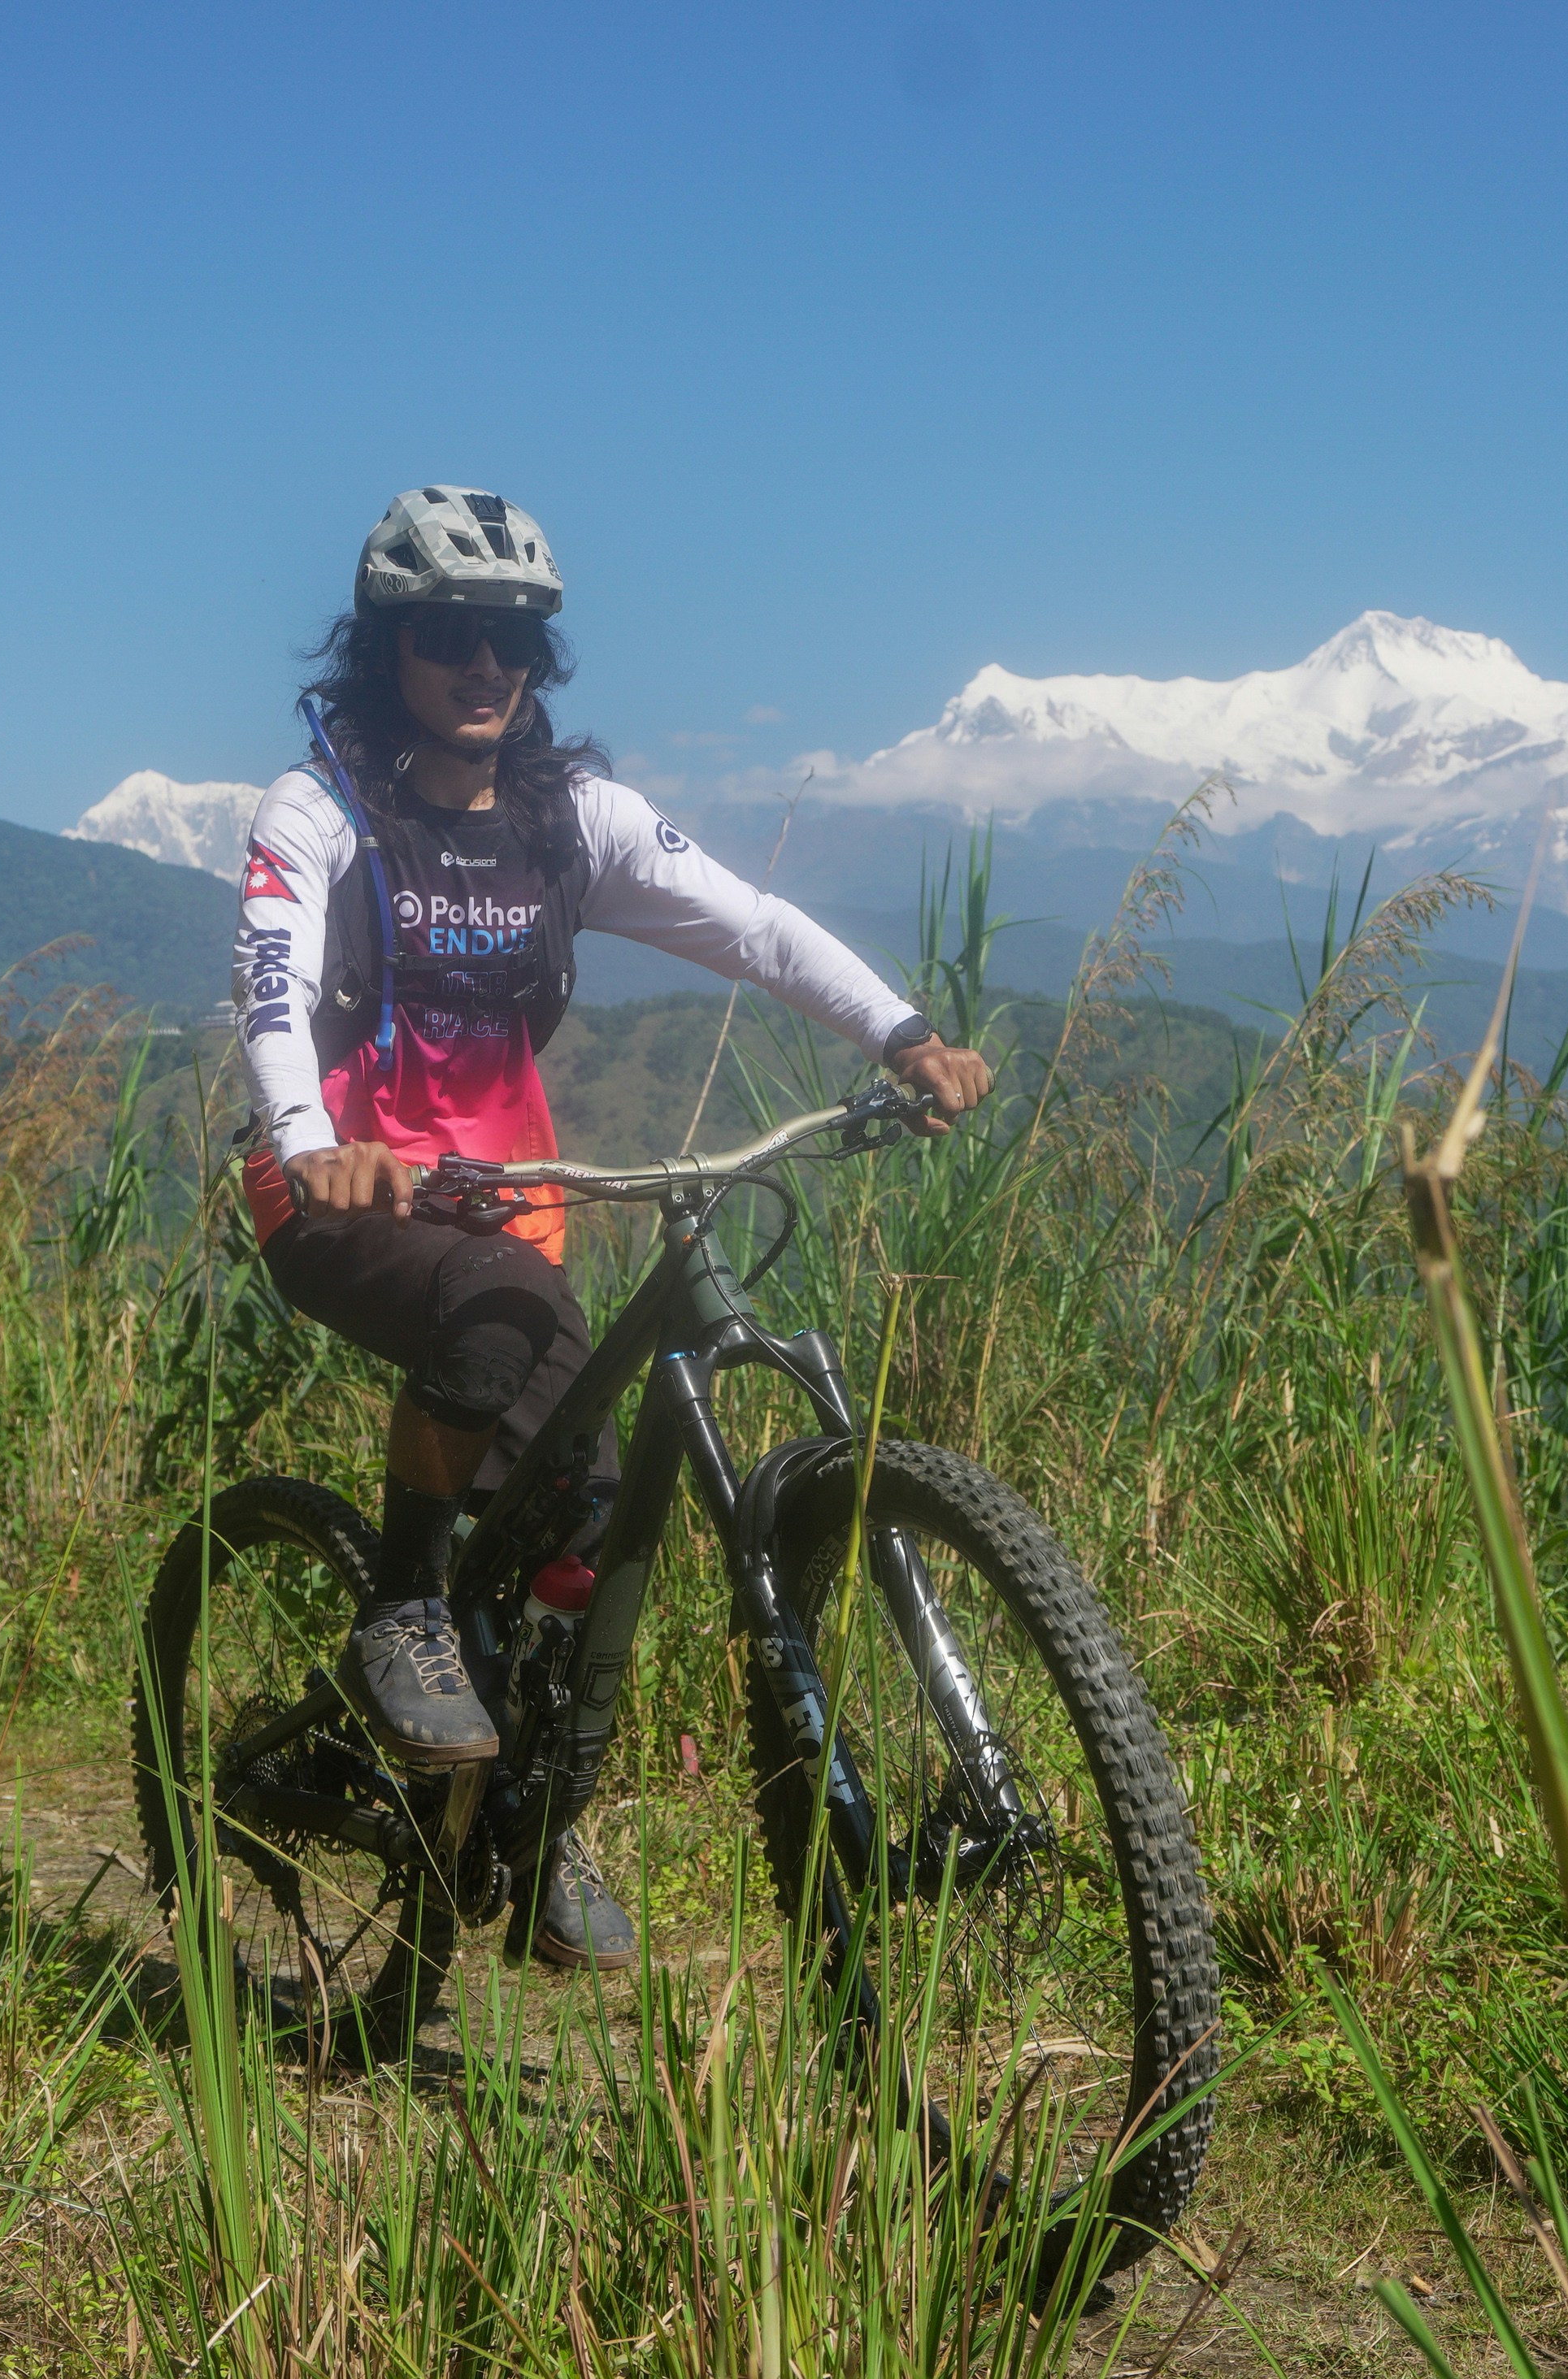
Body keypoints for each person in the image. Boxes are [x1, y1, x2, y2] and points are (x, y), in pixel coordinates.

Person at [232, 485, 992, 1971]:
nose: (486, 664)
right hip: (344, 1194)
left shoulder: (565, 817)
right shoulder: (319, 809)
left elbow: (751, 924)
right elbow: (270, 986)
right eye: (451, 634)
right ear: (387, 647)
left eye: (515, 639)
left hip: (514, 1205)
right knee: (496, 1318)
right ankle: (402, 1608)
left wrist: (901, 1033)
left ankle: (533, 1806)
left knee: (584, 1502)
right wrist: (309, 1144)